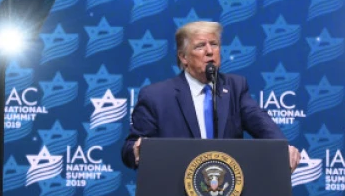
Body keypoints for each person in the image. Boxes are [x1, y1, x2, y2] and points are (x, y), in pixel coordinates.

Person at [120, 21, 302, 171]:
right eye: (200, 46)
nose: (209, 51)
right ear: (183, 57)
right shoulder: (156, 96)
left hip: (227, 192)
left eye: (214, 44)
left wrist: (281, 148)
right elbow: (129, 149)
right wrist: (138, 149)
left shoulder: (235, 88)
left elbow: (261, 123)